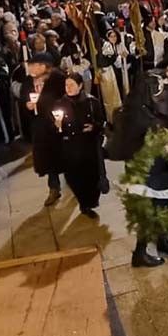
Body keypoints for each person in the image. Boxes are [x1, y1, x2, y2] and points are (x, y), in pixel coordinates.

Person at [52, 74, 106, 219]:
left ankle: (91, 201)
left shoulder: (91, 102)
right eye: (66, 85)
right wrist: (57, 127)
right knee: (74, 178)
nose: (68, 88)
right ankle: (84, 203)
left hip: (88, 147)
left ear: (80, 85)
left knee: (91, 177)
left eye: (71, 85)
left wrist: (94, 127)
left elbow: (102, 122)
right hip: (70, 147)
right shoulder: (59, 104)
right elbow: (53, 130)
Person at [20, 52, 67, 207]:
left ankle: (76, 182)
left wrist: (43, 104)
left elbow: (63, 98)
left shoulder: (57, 78)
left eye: (34, 65)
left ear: (43, 66)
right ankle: (54, 188)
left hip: (56, 121)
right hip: (40, 124)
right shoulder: (28, 81)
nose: (31, 68)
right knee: (48, 157)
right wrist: (28, 105)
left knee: (65, 154)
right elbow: (23, 97)